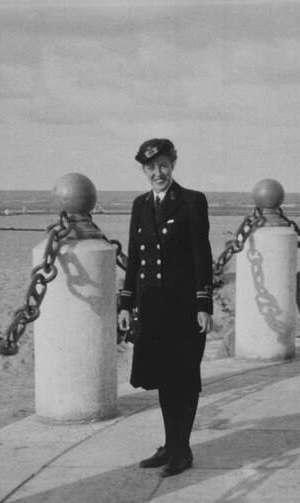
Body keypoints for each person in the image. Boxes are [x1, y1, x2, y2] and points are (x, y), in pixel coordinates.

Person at [117, 138, 214, 477]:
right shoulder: (140, 205)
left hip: (184, 308)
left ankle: (183, 450)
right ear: (143, 170)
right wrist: (126, 302)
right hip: (152, 307)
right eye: (150, 168)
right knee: (163, 379)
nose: (157, 173)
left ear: (173, 164)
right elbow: (134, 258)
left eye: (163, 166)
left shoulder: (191, 202)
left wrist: (204, 303)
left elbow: (202, 254)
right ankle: (170, 445)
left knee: (184, 380)